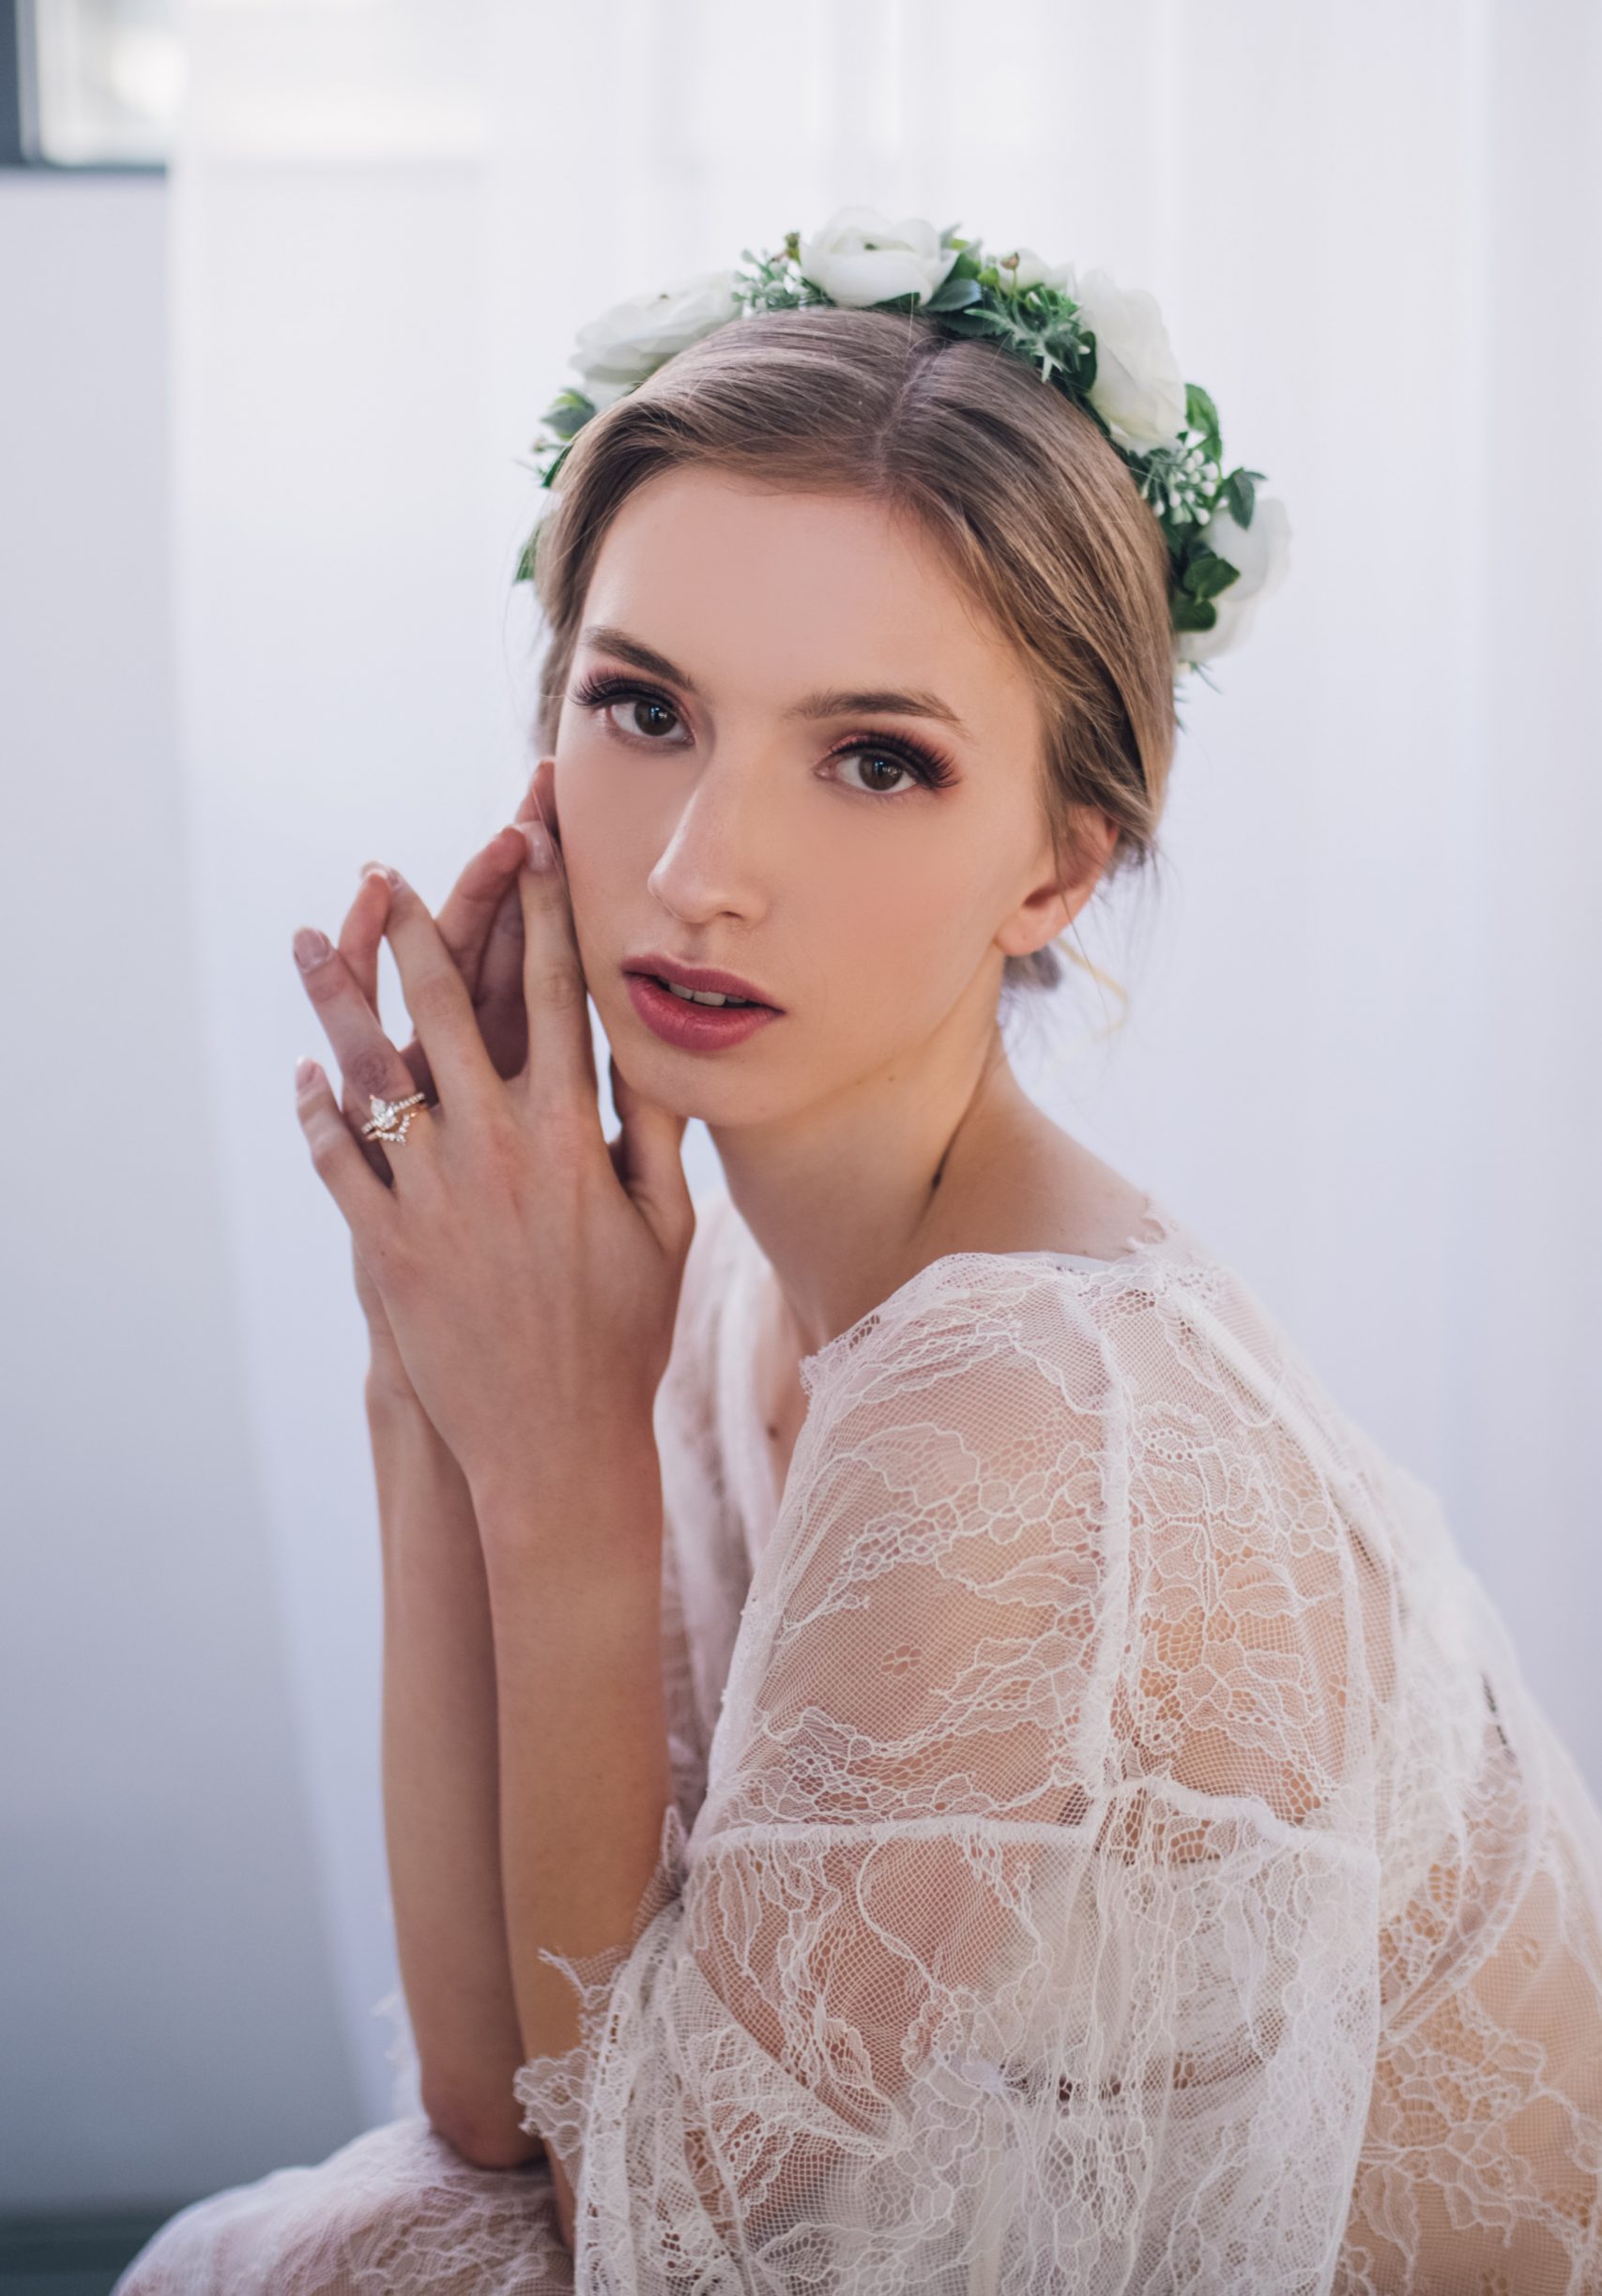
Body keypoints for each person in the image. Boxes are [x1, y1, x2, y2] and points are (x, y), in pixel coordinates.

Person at [115, 215, 1602, 2295]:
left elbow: (641, 2231)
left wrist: (556, 1465)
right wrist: (426, 1333)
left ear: (1059, 860)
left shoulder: (1016, 1405)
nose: (709, 868)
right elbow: (499, 2091)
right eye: (642, 709)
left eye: (875, 756)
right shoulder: (745, 1285)